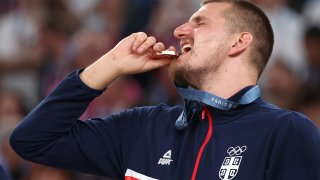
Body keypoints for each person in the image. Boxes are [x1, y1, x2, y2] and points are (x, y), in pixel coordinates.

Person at [9, 0, 320, 180]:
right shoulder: (143, 126)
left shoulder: (287, 131)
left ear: (239, 42)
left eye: (200, 22)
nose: (179, 30)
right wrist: (110, 65)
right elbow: (32, 141)